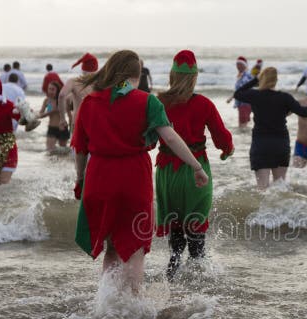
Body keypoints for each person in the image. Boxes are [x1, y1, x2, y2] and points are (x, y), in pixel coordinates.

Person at [71, 50, 208, 295]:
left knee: (112, 246)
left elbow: (79, 149)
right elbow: (171, 137)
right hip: (134, 177)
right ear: (138, 74)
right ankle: (134, 304)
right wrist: (196, 166)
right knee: (135, 248)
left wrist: (80, 178)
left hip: (99, 177)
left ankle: (108, 303)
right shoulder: (147, 101)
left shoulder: (90, 102)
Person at [155, 50, 234, 280]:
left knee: (176, 227)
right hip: (195, 169)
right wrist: (227, 150)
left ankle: (172, 273)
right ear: (194, 77)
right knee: (196, 227)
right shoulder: (204, 104)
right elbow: (221, 137)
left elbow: (146, 138)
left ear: (172, 75)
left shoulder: (158, 102)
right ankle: (198, 281)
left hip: (167, 172)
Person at [234, 67, 307, 189]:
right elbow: (304, 112)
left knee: (262, 188)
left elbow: (237, 93)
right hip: (280, 145)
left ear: (263, 79)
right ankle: (280, 209)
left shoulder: (255, 95)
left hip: (261, 145)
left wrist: (255, 80)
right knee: (279, 187)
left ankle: (263, 209)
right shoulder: (285, 97)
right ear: (276, 80)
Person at [58, 53, 99, 134]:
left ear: (82, 69)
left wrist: (62, 119)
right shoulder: (103, 82)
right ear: (96, 69)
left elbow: (61, 95)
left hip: (78, 121)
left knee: (77, 146)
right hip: (95, 123)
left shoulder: (73, 81)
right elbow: (120, 87)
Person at [39, 79, 69, 150]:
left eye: (53, 89)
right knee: (49, 150)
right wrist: (51, 111)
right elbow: (40, 115)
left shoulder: (61, 100)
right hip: (51, 128)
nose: (50, 91)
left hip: (62, 128)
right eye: (49, 89)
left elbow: (66, 112)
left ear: (57, 90)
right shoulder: (47, 100)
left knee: (63, 151)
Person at [225, 56, 254, 128]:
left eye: (240, 64)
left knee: (242, 125)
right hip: (242, 103)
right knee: (244, 124)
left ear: (245, 65)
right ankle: (245, 138)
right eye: (237, 64)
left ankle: (244, 138)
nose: (238, 66)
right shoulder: (241, 75)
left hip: (245, 103)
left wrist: (231, 98)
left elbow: (243, 89)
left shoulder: (246, 76)